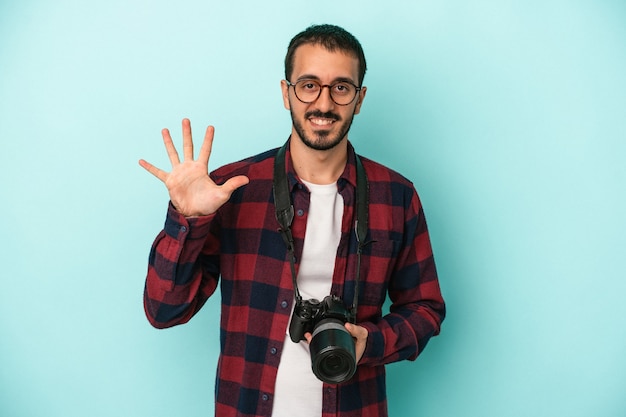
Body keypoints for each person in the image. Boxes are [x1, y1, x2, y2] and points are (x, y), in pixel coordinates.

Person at [139, 24, 445, 417]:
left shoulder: (397, 196)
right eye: (308, 85)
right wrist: (189, 218)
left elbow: (425, 308)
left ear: (359, 98)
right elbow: (163, 310)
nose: (324, 103)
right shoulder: (233, 190)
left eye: (341, 87)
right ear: (286, 93)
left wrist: (372, 341)